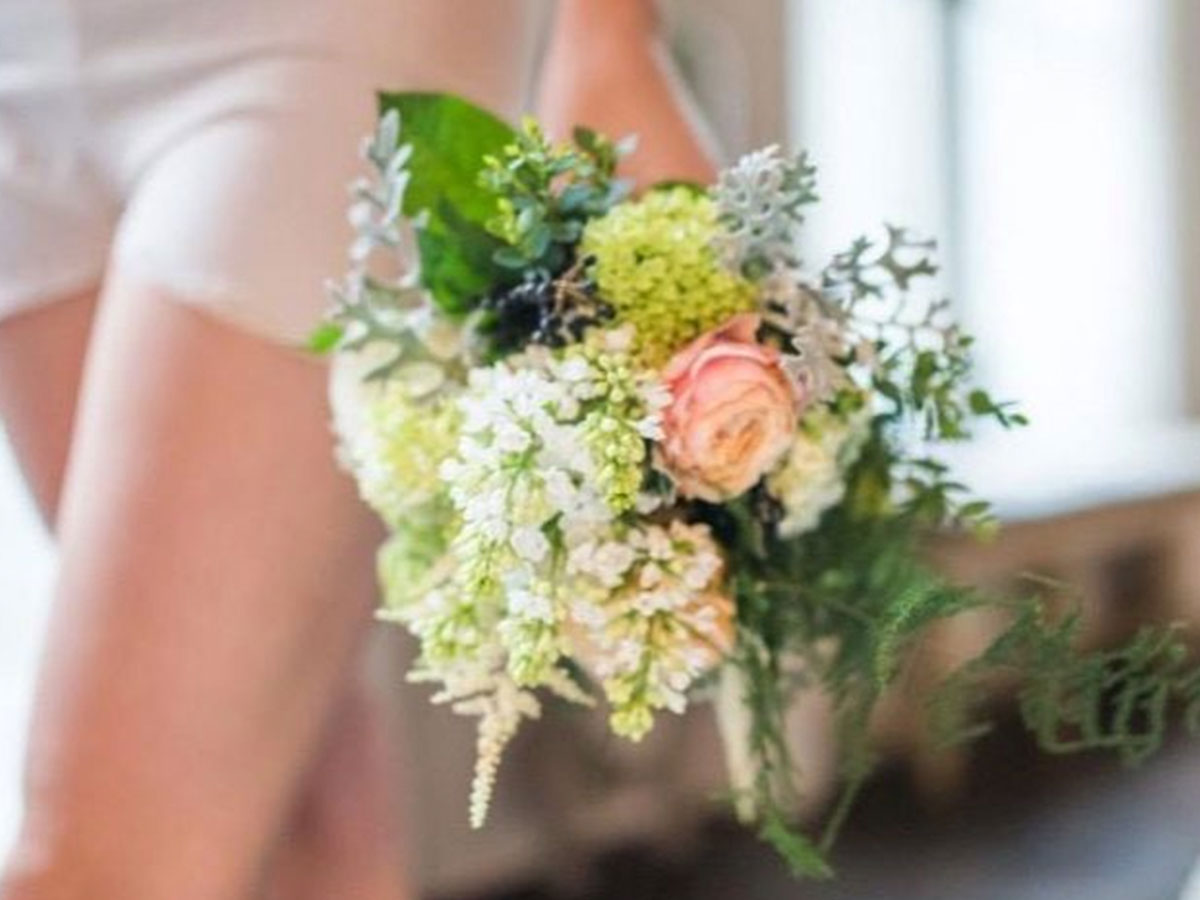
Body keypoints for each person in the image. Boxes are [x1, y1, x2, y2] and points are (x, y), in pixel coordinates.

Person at [0, 0, 714, 896]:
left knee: (97, 868)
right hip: (23, 60)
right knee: (293, 797)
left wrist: (608, 37)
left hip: (313, 46)